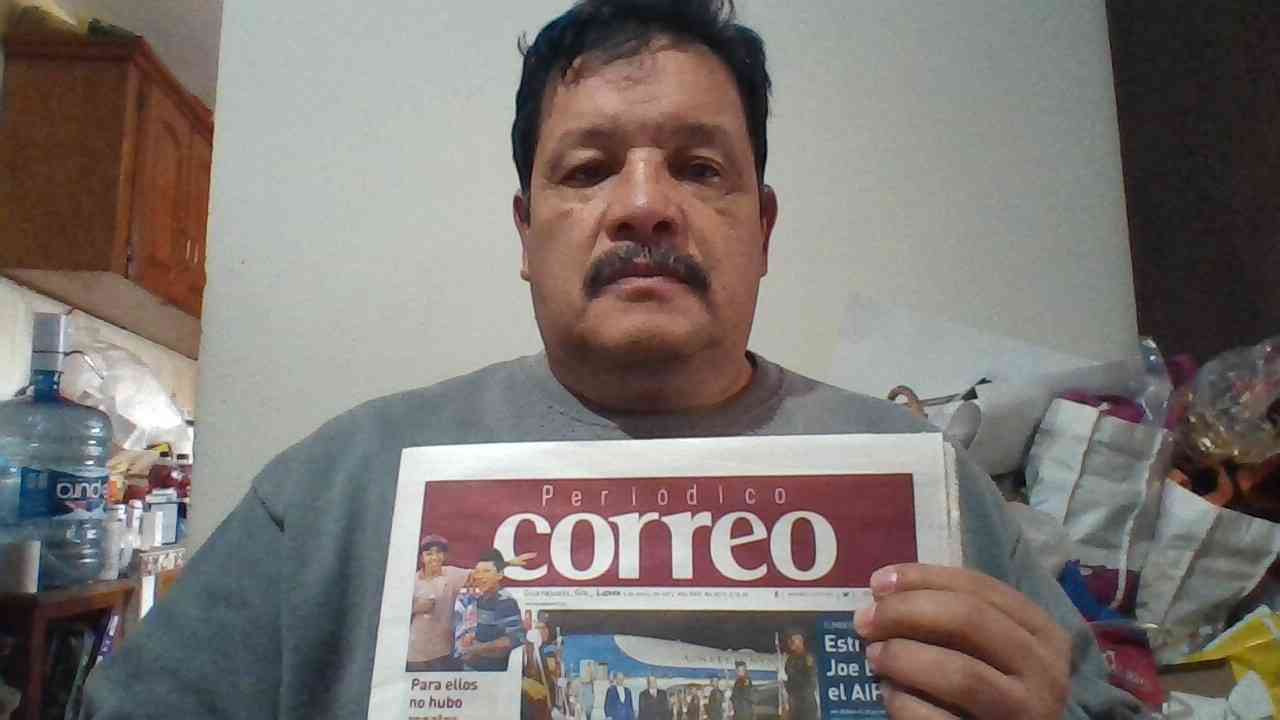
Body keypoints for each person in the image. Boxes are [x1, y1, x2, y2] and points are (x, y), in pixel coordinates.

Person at [81, 1, 1143, 717]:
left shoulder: (932, 491)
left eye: (699, 168)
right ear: (525, 230)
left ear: (762, 228)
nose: (644, 206)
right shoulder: (336, 488)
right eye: (588, 169)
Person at [405, 534, 469, 671]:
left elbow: (480, 574)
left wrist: (507, 564)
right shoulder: (411, 580)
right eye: (429, 554)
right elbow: (392, 608)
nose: (434, 557)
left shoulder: (451, 574)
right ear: (422, 558)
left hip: (443, 651)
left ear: (444, 556)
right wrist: (415, 607)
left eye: (439, 552)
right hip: (414, 652)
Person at [454, 550, 524, 671]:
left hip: (491, 673)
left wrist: (476, 649)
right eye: (477, 571)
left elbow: (514, 639)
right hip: (471, 669)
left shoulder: (505, 602)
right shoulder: (478, 598)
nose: (480, 576)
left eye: (486, 571)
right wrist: (470, 638)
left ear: (500, 575)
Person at [781, 631, 818, 720]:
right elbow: (789, 678)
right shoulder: (790, 659)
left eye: (793, 640)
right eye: (789, 640)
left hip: (806, 705)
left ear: (800, 641)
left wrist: (793, 675)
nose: (790, 642)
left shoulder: (808, 658)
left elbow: (811, 683)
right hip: (793, 704)